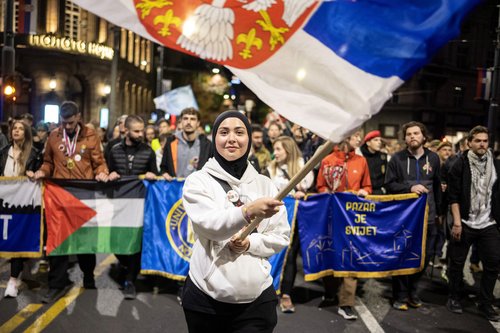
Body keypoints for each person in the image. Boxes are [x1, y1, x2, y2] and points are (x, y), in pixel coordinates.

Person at [181, 111, 290, 333]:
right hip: (205, 299)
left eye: (239, 132)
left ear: (249, 139)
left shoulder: (266, 184)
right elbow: (208, 225)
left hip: (257, 300)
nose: (232, 138)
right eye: (224, 132)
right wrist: (247, 211)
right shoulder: (197, 181)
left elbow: (281, 236)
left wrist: (251, 244)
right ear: (214, 138)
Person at [32, 101, 110, 303]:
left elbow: (99, 162)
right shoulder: (53, 136)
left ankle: (88, 275)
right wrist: (42, 171)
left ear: (79, 117)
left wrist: (102, 173)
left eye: (70, 123)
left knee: (85, 240)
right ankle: (56, 284)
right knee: (57, 241)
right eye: (64, 123)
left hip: (83, 195)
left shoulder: (91, 135)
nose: (67, 127)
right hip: (59, 195)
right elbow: (48, 162)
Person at [384, 121, 441, 311]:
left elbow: (438, 185)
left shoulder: (433, 158)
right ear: (405, 138)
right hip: (404, 217)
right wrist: (410, 187)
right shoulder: (397, 159)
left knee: (424, 257)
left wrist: (439, 212)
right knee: (401, 255)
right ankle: (399, 295)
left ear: (424, 136)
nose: (412, 137)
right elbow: (389, 185)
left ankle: (413, 291)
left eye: (416, 133)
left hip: (429, 216)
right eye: (409, 134)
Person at [446, 126, 500, 321]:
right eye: (478, 140)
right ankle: (454, 297)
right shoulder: (459, 164)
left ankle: (485, 304)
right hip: (466, 221)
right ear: (469, 142)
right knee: (457, 263)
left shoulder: (495, 164)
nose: (482, 144)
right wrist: (457, 223)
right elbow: (453, 197)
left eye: (485, 141)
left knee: (493, 264)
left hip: (488, 222)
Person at [316, 132, 372, 320]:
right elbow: (320, 186)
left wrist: (364, 191)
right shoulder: (328, 160)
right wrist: (329, 194)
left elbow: (368, 186)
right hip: (331, 217)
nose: (359, 139)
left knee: (351, 258)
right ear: (346, 137)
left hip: (353, 219)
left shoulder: (361, 161)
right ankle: (330, 292)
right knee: (330, 254)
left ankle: (346, 303)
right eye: (356, 136)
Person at [107, 115, 158, 299]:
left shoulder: (148, 151)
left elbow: (156, 175)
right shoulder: (113, 150)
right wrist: (109, 173)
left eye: (142, 130)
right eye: (136, 131)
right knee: (117, 244)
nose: (140, 134)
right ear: (126, 131)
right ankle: (125, 265)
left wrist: (153, 174)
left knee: (136, 244)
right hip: (119, 204)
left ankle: (130, 280)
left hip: (140, 205)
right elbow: (106, 171)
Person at [267, 136, 314, 313]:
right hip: (273, 219)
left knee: (290, 255)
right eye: (274, 149)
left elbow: (308, 189)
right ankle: (269, 291)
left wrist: (302, 194)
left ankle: (286, 294)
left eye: (278, 149)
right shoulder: (271, 168)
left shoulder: (303, 167)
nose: (275, 153)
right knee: (270, 253)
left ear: (288, 149)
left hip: (295, 219)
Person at [1, 120, 42, 297]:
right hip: (3, 203)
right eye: (14, 129)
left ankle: (12, 281)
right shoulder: (2, 153)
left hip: (22, 205)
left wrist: (33, 174)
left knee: (17, 241)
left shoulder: (33, 154)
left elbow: (39, 176)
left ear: (26, 133)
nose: (16, 131)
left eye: (20, 129)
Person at [161, 108, 212, 180]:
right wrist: (164, 174)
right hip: (175, 188)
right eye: (185, 118)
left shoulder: (207, 144)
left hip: (198, 189)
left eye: (192, 119)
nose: (188, 122)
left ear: (198, 123)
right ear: (181, 121)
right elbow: (163, 167)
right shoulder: (170, 142)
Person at [360, 130, 388, 194]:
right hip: (365, 192)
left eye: (380, 140)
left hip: (380, 192)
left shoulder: (383, 157)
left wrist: (384, 189)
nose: (379, 142)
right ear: (368, 143)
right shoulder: (360, 156)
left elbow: (387, 175)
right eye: (376, 140)